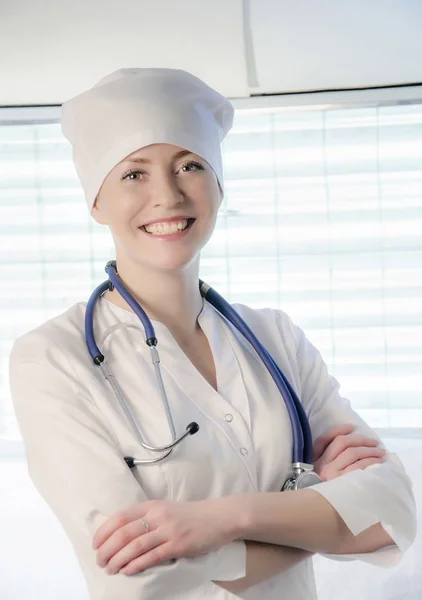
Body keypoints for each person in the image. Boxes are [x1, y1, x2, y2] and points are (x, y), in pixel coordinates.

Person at [9, 68, 416, 600]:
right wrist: (322, 515)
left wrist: (220, 520)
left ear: (218, 185)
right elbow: (138, 577)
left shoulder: (275, 338)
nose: (168, 195)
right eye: (134, 174)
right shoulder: (52, 359)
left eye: (190, 165)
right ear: (96, 202)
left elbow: (393, 511)